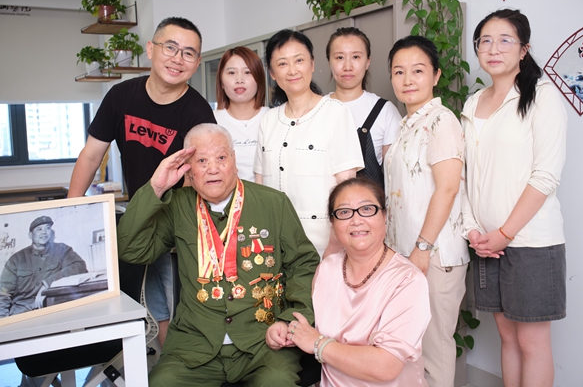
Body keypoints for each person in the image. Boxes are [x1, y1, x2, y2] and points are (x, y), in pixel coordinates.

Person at [117, 123, 319, 386]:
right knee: (161, 382)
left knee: (276, 382)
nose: (213, 168)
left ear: (234, 161)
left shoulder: (273, 203)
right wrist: (155, 188)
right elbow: (131, 250)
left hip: (263, 340)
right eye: (202, 160)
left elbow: (303, 265)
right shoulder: (178, 205)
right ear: (188, 168)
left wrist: (288, 321)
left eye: (221, 158)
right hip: (195, 344)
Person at [68, 17, 216, 346]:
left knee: (178, 304)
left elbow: (199, 177)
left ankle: (175, 363)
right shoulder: (121, 96)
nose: (178, 59)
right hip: (139, 217)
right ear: (151, 49)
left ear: (197, 63)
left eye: (189, 53)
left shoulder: (198, 112)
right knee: (149, 305)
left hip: (179, 224)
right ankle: (160, 363)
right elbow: (91, 155)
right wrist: (72, 211)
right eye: (170, 47)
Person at [462, 9, 567, 387]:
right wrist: (473, 230)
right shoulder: (473, 103)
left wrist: (505, 233)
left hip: (530, 242)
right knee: (507, 337)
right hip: (487, 244)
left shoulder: (542, 97)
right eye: (485, 41)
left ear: (524, 49)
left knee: (531, 342)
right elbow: (466, 175)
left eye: (505, 40)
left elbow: (545, 176)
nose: (493, 49)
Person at [281, 177, 430, 386]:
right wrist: (285, 331)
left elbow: (386, 366)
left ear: (384, 216)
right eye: (344, 212)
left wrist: (317, 344)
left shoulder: (408, 280)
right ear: (332, 223)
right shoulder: (327, 268)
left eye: (367, 209)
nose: (356, 220)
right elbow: (308, 330)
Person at [384, 35, 469, 387]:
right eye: (399, 71)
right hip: (406, 254)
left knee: (435, 348)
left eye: (418, 71)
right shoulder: (406, 125)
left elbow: (447, 188)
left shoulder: (441, 121)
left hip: (433, 254)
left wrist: (422, 247)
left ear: (435, 75)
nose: (408, 80)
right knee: (410, 346)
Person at [254, 29, 364, 257]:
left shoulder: (336, 113)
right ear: (272, 73)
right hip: (275, 246)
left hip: (323, 246)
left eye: (299, 60)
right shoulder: (268, 120)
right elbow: (260, 187)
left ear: (312, 64)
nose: (292, 70)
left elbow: (347, 188)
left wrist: (334, 246)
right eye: (282, 64)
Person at [325, 27, 401, 189]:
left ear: (367, 62)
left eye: (356, 57)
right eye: (339, 57)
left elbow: (395, 176)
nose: (347, 66)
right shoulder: (316, 109)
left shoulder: (384, 111)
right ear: (329, 62)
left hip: (369, 204)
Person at [0, 216, 88, 317]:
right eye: (39, 229)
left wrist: (47, 284)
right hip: (22, 313)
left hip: (52, 309)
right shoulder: (16, 259)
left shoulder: (62, 249)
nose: (44, 232)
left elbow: (80, 267)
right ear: (30, 235)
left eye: (48, 228)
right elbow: (3, 294)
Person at [214, 46, 269, 182]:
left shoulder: (272, 118)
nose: (239, 79)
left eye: (247, 72)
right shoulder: (211, 121)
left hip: (268, 194)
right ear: (221, 82)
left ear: (258, 79)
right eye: (231, 72)